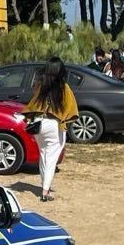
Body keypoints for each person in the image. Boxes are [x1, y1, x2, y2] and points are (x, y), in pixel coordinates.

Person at [24, 59, 77, 202]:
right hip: (53, 124)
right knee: (51, 158)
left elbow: (32, 104)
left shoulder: (39, 85)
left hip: (38, 124)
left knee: (43, 155)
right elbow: (70, 108)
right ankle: (45, 191)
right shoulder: (64, 87)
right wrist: (64, 120)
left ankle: (44, 184)